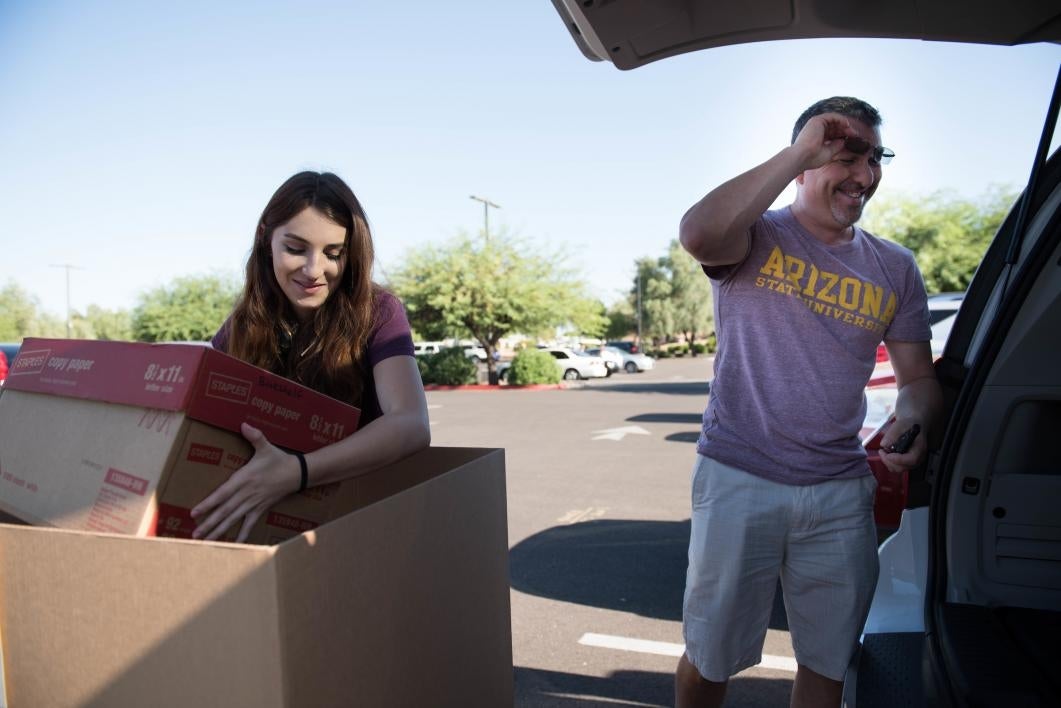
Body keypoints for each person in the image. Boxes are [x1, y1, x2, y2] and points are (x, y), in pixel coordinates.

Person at [675, 97, 943, 707]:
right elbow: (698, 233)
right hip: (739, 477)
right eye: (846, 156)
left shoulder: (894, 267)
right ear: (803, 165)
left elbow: (919, 382)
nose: (865, 176)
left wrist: (917, 420)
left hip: (840, 493)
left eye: (875, 159)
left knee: (828, 661)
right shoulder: (754, 238)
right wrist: (801, 148)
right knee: (710, 659)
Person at [190, 171, 431, 543]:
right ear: (264, 238)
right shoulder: (241, 325)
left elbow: (411, 423)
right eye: (296, 248)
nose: (314, 270)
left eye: (333, 254)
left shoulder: (380, 312)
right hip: (265, 529)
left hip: (358, 527)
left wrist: (295, 472)